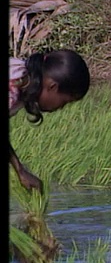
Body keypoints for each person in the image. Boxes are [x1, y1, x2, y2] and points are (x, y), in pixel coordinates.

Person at [9, 49, 91, 193]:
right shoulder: (13, 89)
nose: (61, 108)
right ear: (52, 87)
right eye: (65, 102)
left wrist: (20, 171)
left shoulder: (22, 74)